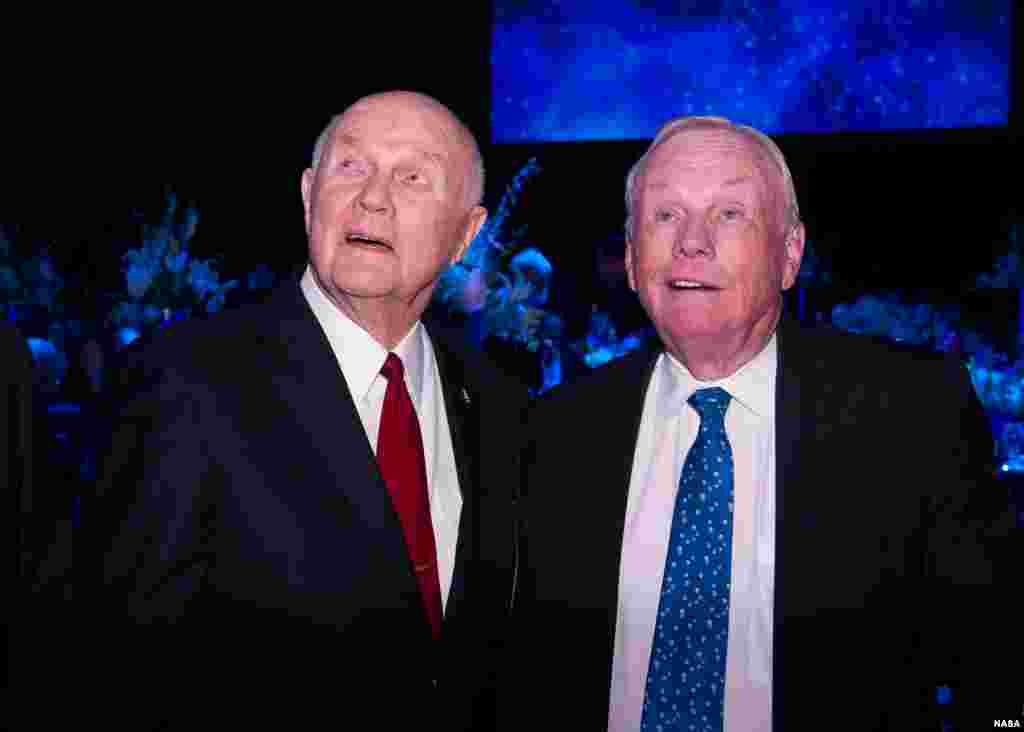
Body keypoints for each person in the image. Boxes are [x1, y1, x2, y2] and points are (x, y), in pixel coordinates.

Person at [511, 116, 1014, 730]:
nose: (691, 241)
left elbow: (994, 666)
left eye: (729, 214)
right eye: (664, 215)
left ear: (789, 253)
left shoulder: (913, 415)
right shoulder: (554, 433)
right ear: (630, 256)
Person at [84, 91, 525, 730]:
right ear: (308, 194)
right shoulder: (184, 384)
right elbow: (111, 663)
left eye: (413, 177)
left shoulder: (500, 408)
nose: (373, 198)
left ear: (465, 234)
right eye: (351, 167)